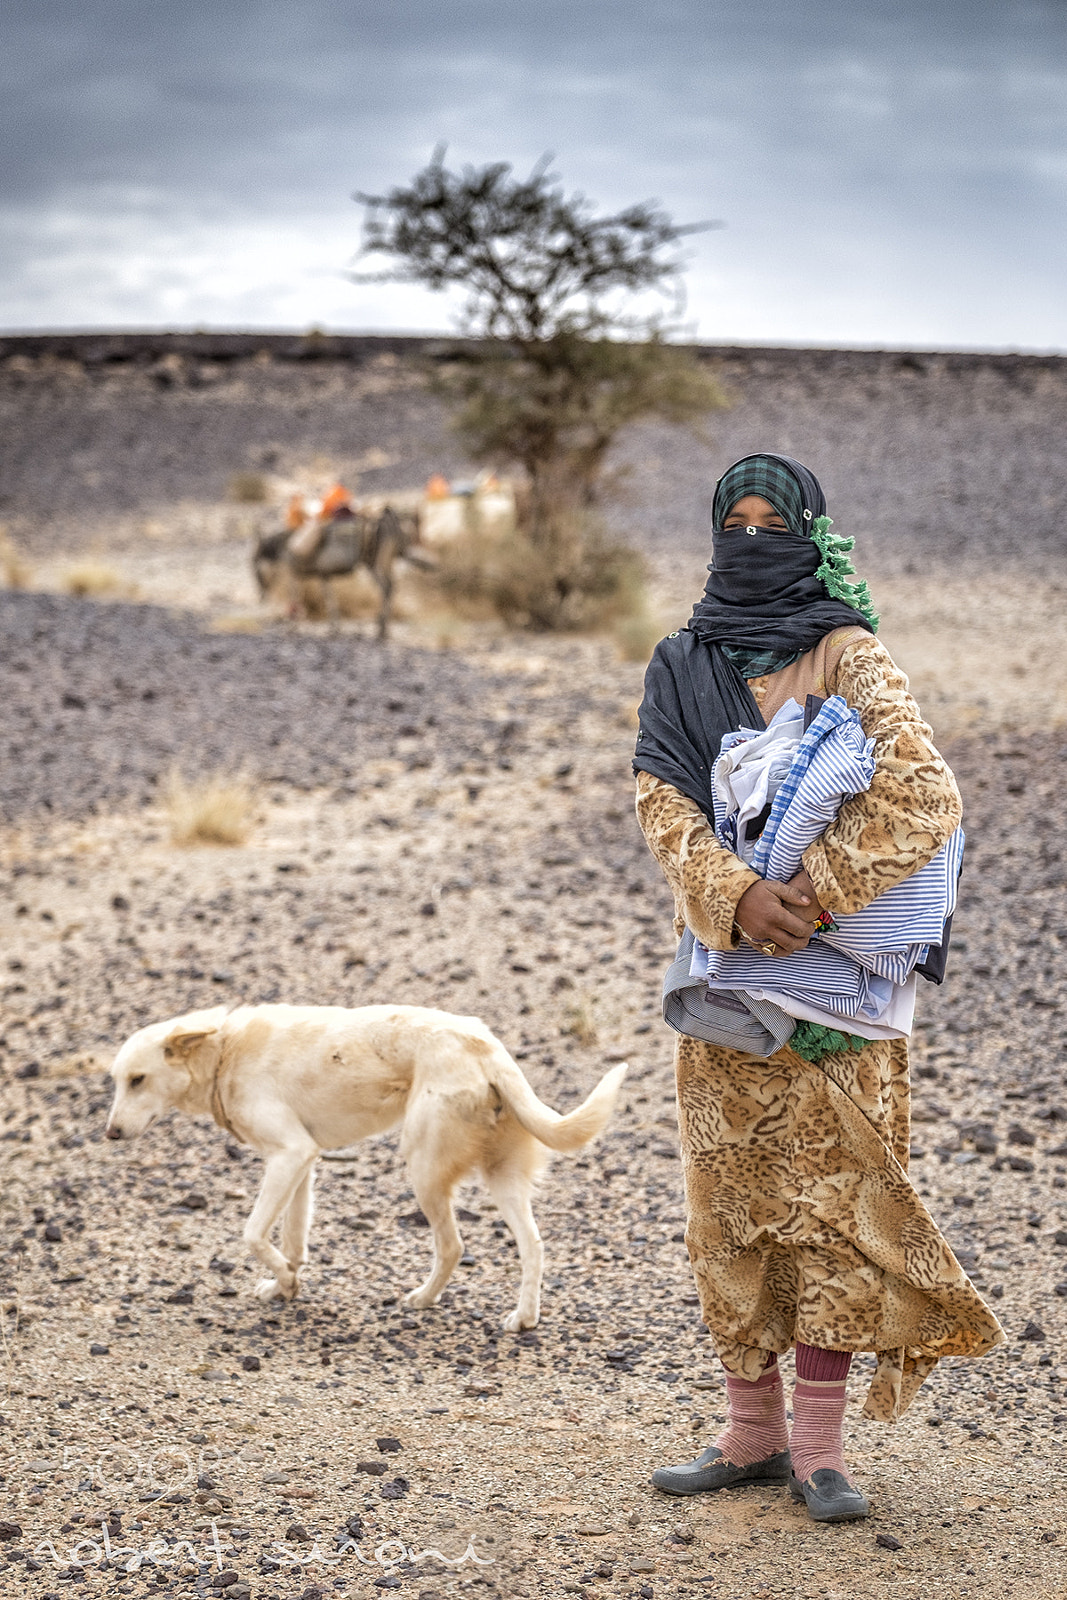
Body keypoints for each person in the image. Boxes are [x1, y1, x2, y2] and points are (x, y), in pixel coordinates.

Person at [633, 452, 1003, 1523]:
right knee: (732, 1208)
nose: (751, 540)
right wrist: (735, 894)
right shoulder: (679, 659)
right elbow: (660, 796)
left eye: (771, 522)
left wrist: (812, 891)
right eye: (733, 523)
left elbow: (924, 789)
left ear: (810, 531)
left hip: (838, 999)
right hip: (726, 989)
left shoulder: (847, 651)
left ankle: (820, 1451)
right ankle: (747, 1434)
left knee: (838, 1210)